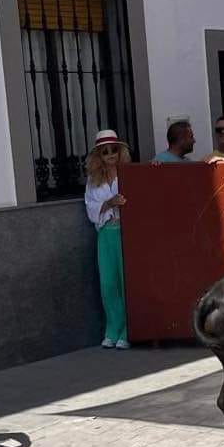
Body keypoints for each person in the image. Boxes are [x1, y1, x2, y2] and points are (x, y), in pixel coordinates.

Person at [84, 130, 132, 350]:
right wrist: (109, 203)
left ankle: (127, 331)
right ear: (99, 156)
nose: (111, 154)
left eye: (114, 150)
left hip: (127, 233)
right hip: (106, 234)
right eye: (105, 151)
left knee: (126, 282)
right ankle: (112, 329)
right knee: (108, 283)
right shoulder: (93, 181)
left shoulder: (129, 174)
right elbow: (90, 206)